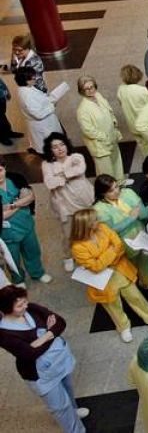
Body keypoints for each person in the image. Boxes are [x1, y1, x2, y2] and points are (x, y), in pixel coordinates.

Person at [0, 286, 88, 432]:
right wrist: (51, 334)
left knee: (68, 388)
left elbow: (60, 322)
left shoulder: (32, 309)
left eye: (25, 302)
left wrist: (44, 337)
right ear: (7, 308)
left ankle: (74, 411)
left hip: (58, 360)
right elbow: (30, 354)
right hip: (40, 374)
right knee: (60, 407)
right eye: (19, 305)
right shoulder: (4, 334)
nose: (25, 306)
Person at [41, 133, 95, 273]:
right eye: (55, 147)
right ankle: (68, 257)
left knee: (88, 229)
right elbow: (50, 183)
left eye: (62, 145)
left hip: (83, 199)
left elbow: (80, 169)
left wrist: (60, 175)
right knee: (68, 234)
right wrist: (67, 174)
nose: (60, 149)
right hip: (64, 204)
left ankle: (86, 254)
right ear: (50, 150)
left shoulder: (76, 157)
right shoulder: (47, 164)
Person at [0, 158, 50, 286]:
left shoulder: (16, 179)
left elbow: (31, 196)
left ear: (4, 168)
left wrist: (11, 205)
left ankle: (37, 272)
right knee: (13, 258)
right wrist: (20, 203)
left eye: (0, 170)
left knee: (33, 250)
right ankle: (18, 279)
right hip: (7, 234)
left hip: (26, 225)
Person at [76, 76, 124, 180]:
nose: (90, 90)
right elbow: (87, 130)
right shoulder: (82, 109)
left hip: (111, 136)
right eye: (86, 89)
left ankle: (120, 182)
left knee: (116, 161)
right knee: (105, 169)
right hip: (100, 143)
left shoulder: (98, 96)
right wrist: (104, 136)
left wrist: (114, 122)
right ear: (82, 91)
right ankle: (109, 190)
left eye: (92, 87)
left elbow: (109, 109)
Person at [14, 67, 63, 154]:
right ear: (26, 80)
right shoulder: (27, 95)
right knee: (51, 147)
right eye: (33, 77)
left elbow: (39, 99)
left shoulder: (27, 87)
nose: (35, 79)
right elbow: (38, 114)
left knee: (53, 144)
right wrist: (52, 106)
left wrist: (48, 99)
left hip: (43, 123)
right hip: (43, 125)